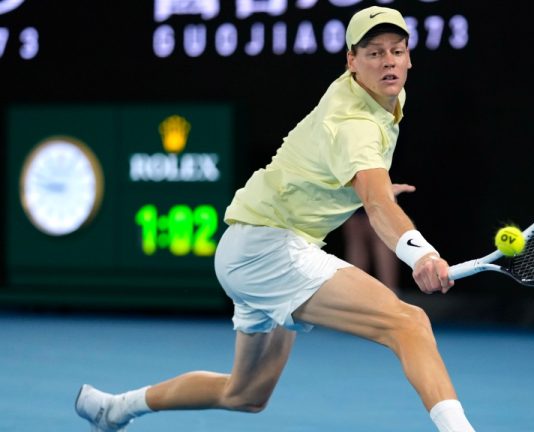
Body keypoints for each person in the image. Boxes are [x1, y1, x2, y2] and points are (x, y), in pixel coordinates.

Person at [75, 6, 477, 432]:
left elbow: (351, 180)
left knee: (245, 394)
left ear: (409, 57)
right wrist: (421, 254)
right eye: (374, 53)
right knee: (408, 323)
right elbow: (376, 206)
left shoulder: (382, 95)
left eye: (396, 50)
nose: (388, 61)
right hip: (269, 250)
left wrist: (359, 188)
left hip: (247, 247)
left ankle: (115, 408)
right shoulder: (355, 122)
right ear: (351, 62)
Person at [342, 182, 415, 295]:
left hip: (368, 176)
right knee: (356, 233)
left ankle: (390, 293)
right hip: (353, 179)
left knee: (380, 232)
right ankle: (356, 293)